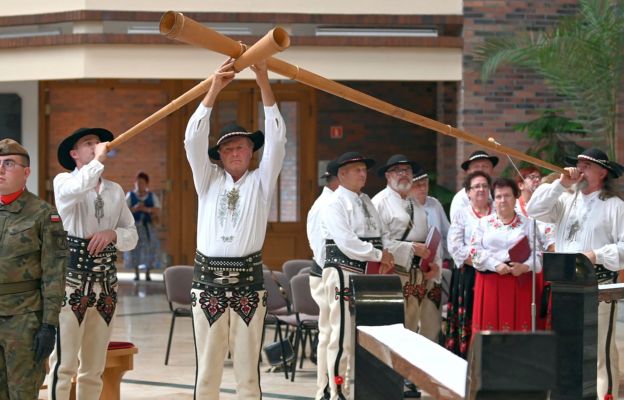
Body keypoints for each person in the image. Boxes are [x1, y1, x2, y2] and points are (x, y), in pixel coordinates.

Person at [184, 58, 286, 399]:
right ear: (220, 155)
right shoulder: (207, 181)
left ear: (251, 151)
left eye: (241, 146)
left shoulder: (261, 182)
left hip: (247, 285)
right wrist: (213, 89)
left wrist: (263, 82)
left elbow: (278, 140)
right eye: (227, 148)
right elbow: (192, 141)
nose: (235, 152)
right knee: (207, 374)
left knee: (248, 375)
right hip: (208, 284)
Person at [527, 148, 624, 400]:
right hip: (565, 280)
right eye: (578, 164)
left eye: (587, 165)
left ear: (603, 172)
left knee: (599, 350)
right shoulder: (565, 200)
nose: (579, 169)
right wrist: (560, 184)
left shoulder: (614, 206)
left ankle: (606, 396)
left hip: (598, 279)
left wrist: (597, 254)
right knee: (568, 347)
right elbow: (534, 209)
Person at [49, 128, 138, 399]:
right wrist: (98, 160)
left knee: (94, 367)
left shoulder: (115, 190)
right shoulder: (64, 181)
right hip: (72, 283)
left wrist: (113, 234)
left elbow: (131, 235)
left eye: (97, 143)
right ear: (74, 154)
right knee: (64, 365)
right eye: (88, 144)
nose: (96, 146)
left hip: (107, 284)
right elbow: (79, 188)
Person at [321, 151, 394, 400]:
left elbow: (382, 233)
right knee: (341, 334)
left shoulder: (367, 201)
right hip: (343, 273)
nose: (363, 174)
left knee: (367, 333)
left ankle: (363, 388)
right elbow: (346, 242)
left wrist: (385, 254)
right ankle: (336, 389)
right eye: (357, 170)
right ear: (342, 175)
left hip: (369, 273)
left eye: (364, 170)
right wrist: (378, 255)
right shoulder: (334, 203)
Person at [0, 139, 66, 399]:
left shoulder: (43, 214)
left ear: (26, 172)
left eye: (8, 164)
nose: (1, 170)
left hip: (24, 320)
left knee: (22, 394)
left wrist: (49, 326)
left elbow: (54, 273)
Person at [372, 155, 442, 340]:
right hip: (393, 274)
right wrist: (411, 249)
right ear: (388, 176)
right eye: (398, 171)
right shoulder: (379, 202)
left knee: (413, 330)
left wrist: (434, 263)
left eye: (407, 170)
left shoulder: (415, 204)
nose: (404, 174)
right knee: (394, 328)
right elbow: (377, 243)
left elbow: (427, 238)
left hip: (419, 276)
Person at [469, 177, 540, 333]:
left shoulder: (529, 224)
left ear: (516, 197)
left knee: (518, 329)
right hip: (490, 281)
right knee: (489, 329)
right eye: (498, 197)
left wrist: (525, 267)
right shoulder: (483, 223)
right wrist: (495, 264)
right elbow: (475, 252)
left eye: (507, 196)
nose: (503, 200)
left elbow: (539, 256)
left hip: (519, 281)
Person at [445, 171, 493, 358]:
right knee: (469, 316)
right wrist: (481, 261)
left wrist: (493, 262)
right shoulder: (461, 215)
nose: (481, 190)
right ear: (468, 192)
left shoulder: (498, 210)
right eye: (476, 186)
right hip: (469, 274)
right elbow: (455, 247)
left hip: (495, 274)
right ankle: (466, 359)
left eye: (484, 186)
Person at [306, 159, 339, 400]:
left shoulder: (339, 203)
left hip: (338, 275)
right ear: (339, 179)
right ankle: (325, 389)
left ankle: (335, 385)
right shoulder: (324, 206)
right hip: (325, 274)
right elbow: (321, 251)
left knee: (336, 335)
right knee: (328, 334)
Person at [124, 171, 162, 281]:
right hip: (134, 228)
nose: (140, 185)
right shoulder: (130, 195)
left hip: (148, 228)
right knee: (134, 249)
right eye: (138, 182)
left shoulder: (151, 195)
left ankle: (147, 273)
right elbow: (124, 211)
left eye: (142, 183)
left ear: (146, 184)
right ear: (135, 183)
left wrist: (145, 209)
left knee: (149, 249)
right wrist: (135, 208)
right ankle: (136, 273)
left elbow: (157, 209)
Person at [409, 166, 451, 260]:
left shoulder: (435, 203)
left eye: (425, 184)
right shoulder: (405, 206)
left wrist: (446, 258)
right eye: (418, 185)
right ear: (409, 187)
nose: (423, 188)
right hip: (414, 262)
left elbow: (447, 233)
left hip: (437, 262)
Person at [449, 150, 498, 222]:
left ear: (492, 170)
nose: (481, 170)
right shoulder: (460, 199)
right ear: (468, 172)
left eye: (485, 166)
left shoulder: (498, 194)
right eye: (476, 167)